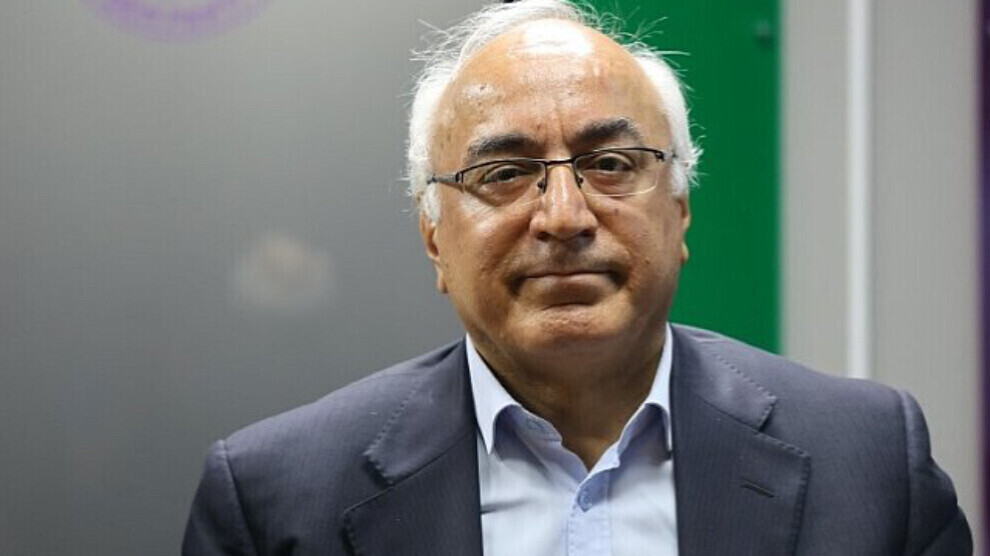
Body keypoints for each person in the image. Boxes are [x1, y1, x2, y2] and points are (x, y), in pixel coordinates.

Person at [182, 1, 972, 554]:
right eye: (503, 173)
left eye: (611, 164)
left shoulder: (868, 465)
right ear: (433, 237)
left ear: (680, 210)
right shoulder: (276, 501)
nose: (563, 216)